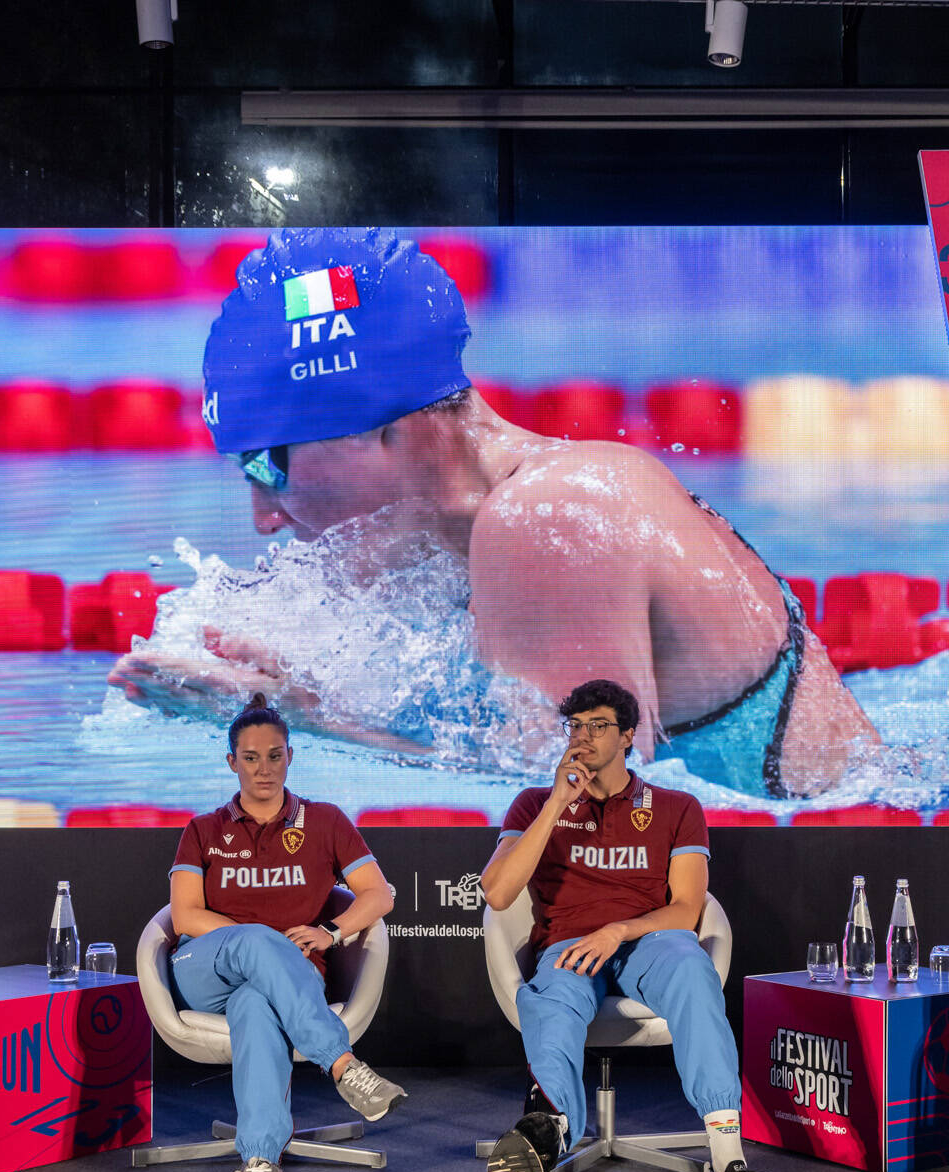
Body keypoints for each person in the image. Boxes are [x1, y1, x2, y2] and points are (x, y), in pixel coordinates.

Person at [107, 227, 878, 798]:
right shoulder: (478, 536)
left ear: (387, 428)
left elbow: (592, 806)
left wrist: (292, 720)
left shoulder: (550, 518)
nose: (263, 518)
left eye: (268, 464)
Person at [476, 677, 795, 1172]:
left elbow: (688, 907)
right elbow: (498, 894)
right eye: (575, 726)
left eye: (598, 726)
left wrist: (620, 929)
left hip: (648, 938)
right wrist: (555, 803)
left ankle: (727, 1171)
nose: (584, 738)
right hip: (570, 945)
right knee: (552, 999)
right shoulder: (532, 802)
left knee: (694, 970)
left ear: (628, 736)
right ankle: (547, 1136)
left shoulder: (675, 808)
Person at [168, 695, 406, 1172]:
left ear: (291, 757)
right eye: (251, 758)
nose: (264, 769)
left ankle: (259, 1166)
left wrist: (332, 931)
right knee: (257, 943)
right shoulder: (203, 829)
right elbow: (185, 917)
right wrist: (259, 939)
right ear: (232, 762)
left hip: (283, 984)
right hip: (205, 969)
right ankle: (344, 1067)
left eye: (274, 756)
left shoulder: (323, 821)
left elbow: (379, 895)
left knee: (255, 1005)